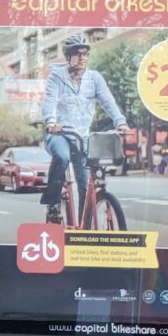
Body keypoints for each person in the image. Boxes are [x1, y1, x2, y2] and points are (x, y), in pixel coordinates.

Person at [40, 34, 129, 223]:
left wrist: (120, 121)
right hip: (60, 134)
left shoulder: (94, 78)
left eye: (85, 54)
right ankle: (54, 203)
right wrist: (50, 121)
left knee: (85, 184)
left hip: (82, 137)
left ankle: (83, 224)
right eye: (77, 54)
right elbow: (49, 102)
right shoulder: (56, 77)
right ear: (68, 56)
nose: (82, 58)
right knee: (62, 157)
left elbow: (108, 102)